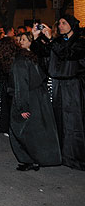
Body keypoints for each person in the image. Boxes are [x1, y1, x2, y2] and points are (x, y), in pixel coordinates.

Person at [32, 15, 85, 170]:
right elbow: (43, 54)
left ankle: (75, 156)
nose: (60, 26)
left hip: (73, 86)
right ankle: (60, 154)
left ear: (72, 25)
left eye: (64, 23)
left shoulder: (80, 42)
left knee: (74, 122)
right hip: (58, 86)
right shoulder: (59, 41)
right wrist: (35, 39)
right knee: (58, 120)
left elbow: (67, 54)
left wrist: (51, 39)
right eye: (59, 23)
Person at [5, 37, 61, 171]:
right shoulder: (31, 57)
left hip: (30, 98)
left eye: (24, 39)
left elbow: (21, 85)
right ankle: (36, 159)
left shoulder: (21, 61)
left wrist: (22, 107)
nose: (20, 41)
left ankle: (29, 160)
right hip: (38, 97)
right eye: (18, 39)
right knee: (37, 130)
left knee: (22, 130)